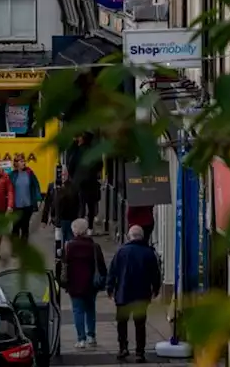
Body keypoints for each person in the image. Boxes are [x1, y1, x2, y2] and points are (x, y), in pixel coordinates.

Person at [107, 224, 161, 362]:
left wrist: (110, 288)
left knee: (122, 323)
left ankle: (123, 347)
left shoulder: (121, 252)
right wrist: (156, 288)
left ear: (128, 236)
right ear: (142, 237)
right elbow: (155, 273)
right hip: (141, 294)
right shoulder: (149, 253)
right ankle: (140, 352)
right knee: (140, 324)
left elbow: (112, 272)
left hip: (123, 293)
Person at [62, 218, 106, 349]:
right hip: (91, 284)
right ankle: (91, 336)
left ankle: (81, 339)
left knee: (77, 311)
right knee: (90, 309)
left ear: (74, 231)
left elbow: (63, 265)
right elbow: (102, 267)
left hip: (74, 284)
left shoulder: (68, 246)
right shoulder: (94, 247)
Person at [66, 132, 102, 227]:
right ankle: (90, 227)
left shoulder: (77, 151)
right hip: (92, 182)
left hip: (80, 182)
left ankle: (80, 227)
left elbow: (70, 165)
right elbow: (100, 165)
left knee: (81, 205)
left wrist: (74, 177)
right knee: (91, 206)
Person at [8, 153, 42, 240]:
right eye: (21, 161)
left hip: (28, 205)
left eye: (24, 161)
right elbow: (7, 189)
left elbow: (36, 185)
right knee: (15, 227)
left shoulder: (29, 173)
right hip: (16, 206)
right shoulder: (12, 175)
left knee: (25, 227)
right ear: (16, 163)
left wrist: (38, 198)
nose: (24, 163)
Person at [44, 167, 82, 245]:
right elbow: (48, 203)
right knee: (59, 240)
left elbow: (78, 203)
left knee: (69, 240)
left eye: (64, 174)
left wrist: (79, 217)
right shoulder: (52, 187)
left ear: (68, 175)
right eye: (60, 174)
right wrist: (44, 219)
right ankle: (59, 254)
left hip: (70, 219)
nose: (62, 176)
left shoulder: (73, 187)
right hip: (58, 219)